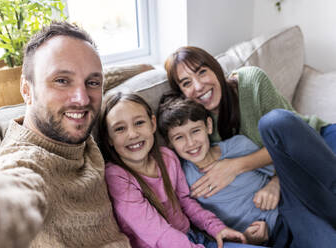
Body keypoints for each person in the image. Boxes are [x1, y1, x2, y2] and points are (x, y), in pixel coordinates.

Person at [0, 21, 131, 247]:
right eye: (62, 81)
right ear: (26, 90)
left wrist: (146, 67)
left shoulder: (74, 136)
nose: (82, 99)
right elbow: (14, 188)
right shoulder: (23, 163)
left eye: (92, 82)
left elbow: (107, 77)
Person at [164, 46, 336, 208]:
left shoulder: (251, 81)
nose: (199, 86)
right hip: (291, 170)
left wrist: (239, 167)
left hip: (316, 137)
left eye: (202, 72)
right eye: (186, 83)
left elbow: (287, 137)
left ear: (215, 70)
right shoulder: (200, 128)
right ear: (181, 94)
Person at [157, 94, 336, 247]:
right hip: (266, 238)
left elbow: (284, 168)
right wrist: (246, 238)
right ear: (169, 143)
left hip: (290, 210)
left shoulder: (238, 145)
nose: (190, 143)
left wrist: (274, 184)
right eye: (179, 137)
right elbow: (197, 219)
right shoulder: (181, 176)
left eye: (195, 131)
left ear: (208, 126)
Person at [97, 92, 267, 248]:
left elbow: (186, 202)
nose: (132, 134)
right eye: (120, 129)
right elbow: (156, 232)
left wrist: (217, 228)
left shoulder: (167, 158)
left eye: (139, 123)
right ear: (108, 138)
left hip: (195, 238)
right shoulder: (116, 176)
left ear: (153, 124)